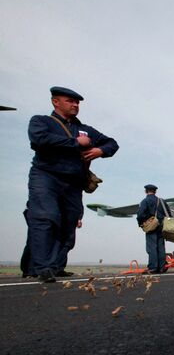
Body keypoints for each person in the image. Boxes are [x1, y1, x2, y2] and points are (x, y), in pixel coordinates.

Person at [23, 86, 119, 282]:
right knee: (46, 217)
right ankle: (43, 268)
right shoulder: (42, 121)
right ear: (55, 102)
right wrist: (76, 143)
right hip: (46, 176)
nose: (75, 105)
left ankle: (56, 266)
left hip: (73, 183)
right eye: (70, 101)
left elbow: (112, 143)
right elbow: (39, 140)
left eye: (77, 103)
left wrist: (99, 151)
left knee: (68, 224)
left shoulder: (85, 129)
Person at [136, 184, 169, 273]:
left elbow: (140, 215)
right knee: (161, 247)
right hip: (162, 227)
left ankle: (153, 268)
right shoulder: (162, 201)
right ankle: (161, 267)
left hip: (151, 227)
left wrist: (141, 224)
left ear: (146, 191)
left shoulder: (145, 201)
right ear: (155, 191)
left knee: (152, 247)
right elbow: (168, 213)